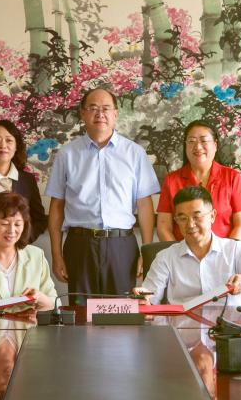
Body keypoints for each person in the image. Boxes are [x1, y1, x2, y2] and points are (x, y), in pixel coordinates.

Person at [45, 87, 160, 300]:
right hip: (80, 245)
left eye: (106, 108)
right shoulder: (67, 154)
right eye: (93, 108)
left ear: (115, 113)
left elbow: (145, 206)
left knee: (121, 311)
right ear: (83, 113)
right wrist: (56, 255)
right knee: (81, 312)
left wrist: (146, 251)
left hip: (121, 246)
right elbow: (57, 207)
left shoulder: (135, 153)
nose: (100, 114)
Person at [135, 186, 241, 307]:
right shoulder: (166, 257)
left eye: (197, 216)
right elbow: (150, 297)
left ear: (212, 216)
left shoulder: (235, 250)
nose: (190, 224)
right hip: (181, 326)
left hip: (229, 325)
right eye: (183, 218)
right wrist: (143, 297)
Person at [157, 120, 241, 242]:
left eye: (204, 140)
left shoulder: (232, 177)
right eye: (191, 141)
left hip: (225, 252)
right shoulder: (171, 180)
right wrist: (177, 252)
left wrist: (228, 251)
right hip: (182, 252)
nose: (198, 146)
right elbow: (164, 227)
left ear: (215, 145)